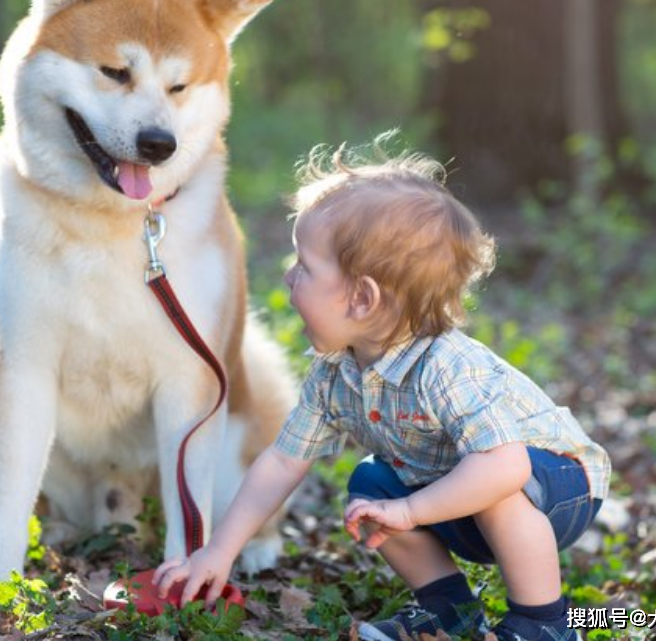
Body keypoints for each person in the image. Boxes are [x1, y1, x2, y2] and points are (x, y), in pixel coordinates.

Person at [153, 136, 611, 641]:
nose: (288, 276)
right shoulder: (334, 373)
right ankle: (449, 610)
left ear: (362, 299)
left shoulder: (446, 368)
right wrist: (218, 552)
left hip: (556, 486)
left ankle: (542, 624)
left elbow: (507, 465)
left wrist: (411, 510)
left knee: (497, 486)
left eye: (304, 265)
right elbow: (283, 462)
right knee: (372, 486)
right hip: (458, 490)